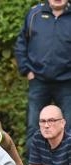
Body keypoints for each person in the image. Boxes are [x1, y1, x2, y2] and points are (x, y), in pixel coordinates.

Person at [14, 0, 71, 154]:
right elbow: (21, 44)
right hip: (38, 81)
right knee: (34, 127)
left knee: (69, 127)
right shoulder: (34, 14)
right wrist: (26, 70)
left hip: (67, 83)